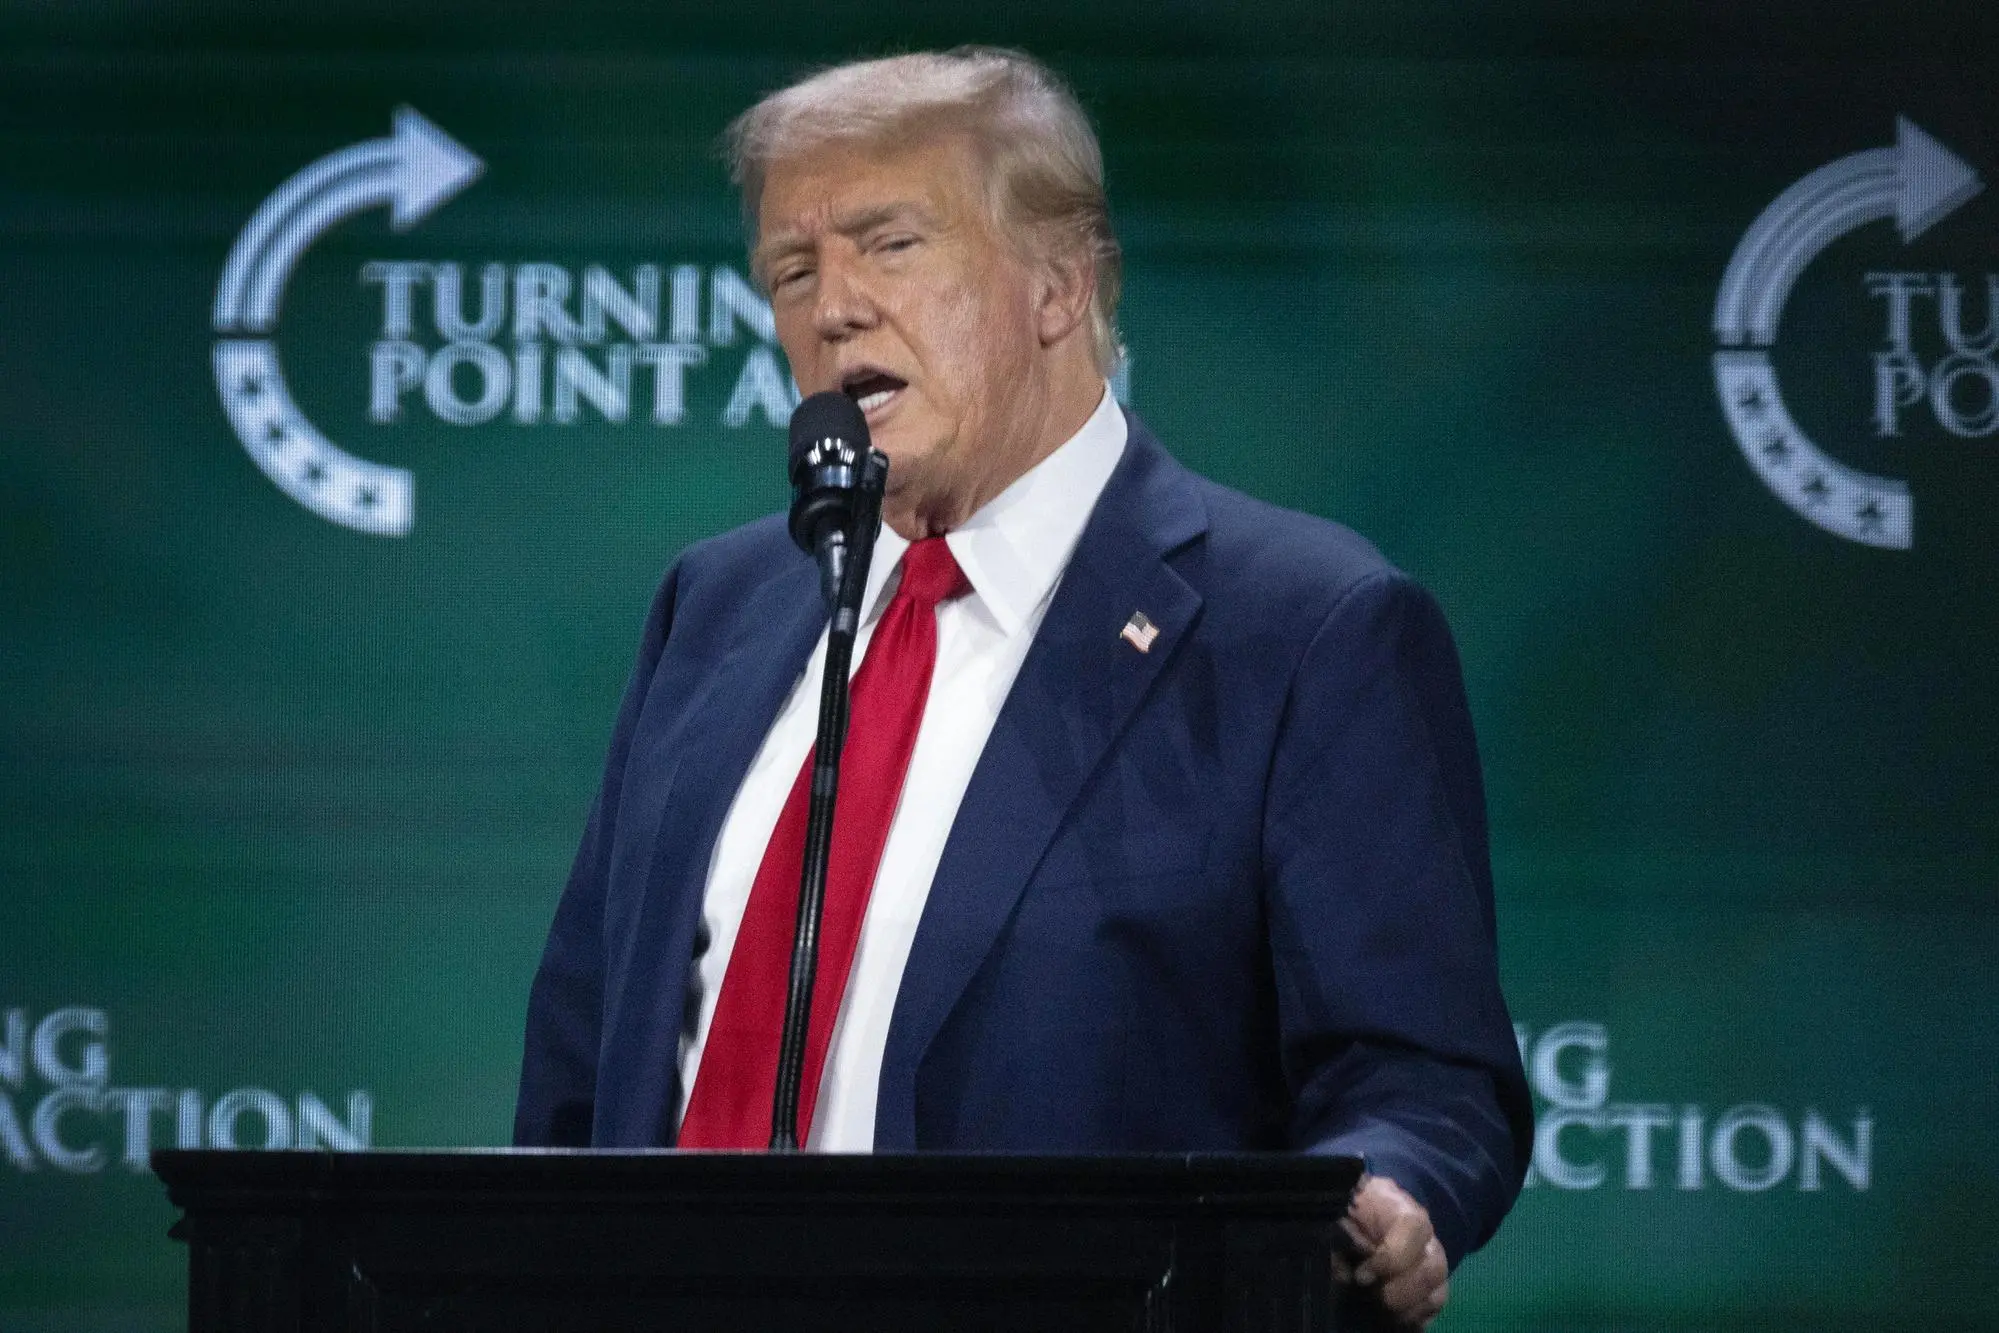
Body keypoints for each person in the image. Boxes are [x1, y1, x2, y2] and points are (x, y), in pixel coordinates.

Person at [516, 47, 1530, 1329]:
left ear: (1061, 284)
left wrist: (1393, 1194)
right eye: (790, 268)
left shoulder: (1303, 627)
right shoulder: (716, 608)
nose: (832, 308)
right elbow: (578, 1068)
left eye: (890, 246)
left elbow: (1424, 1076)